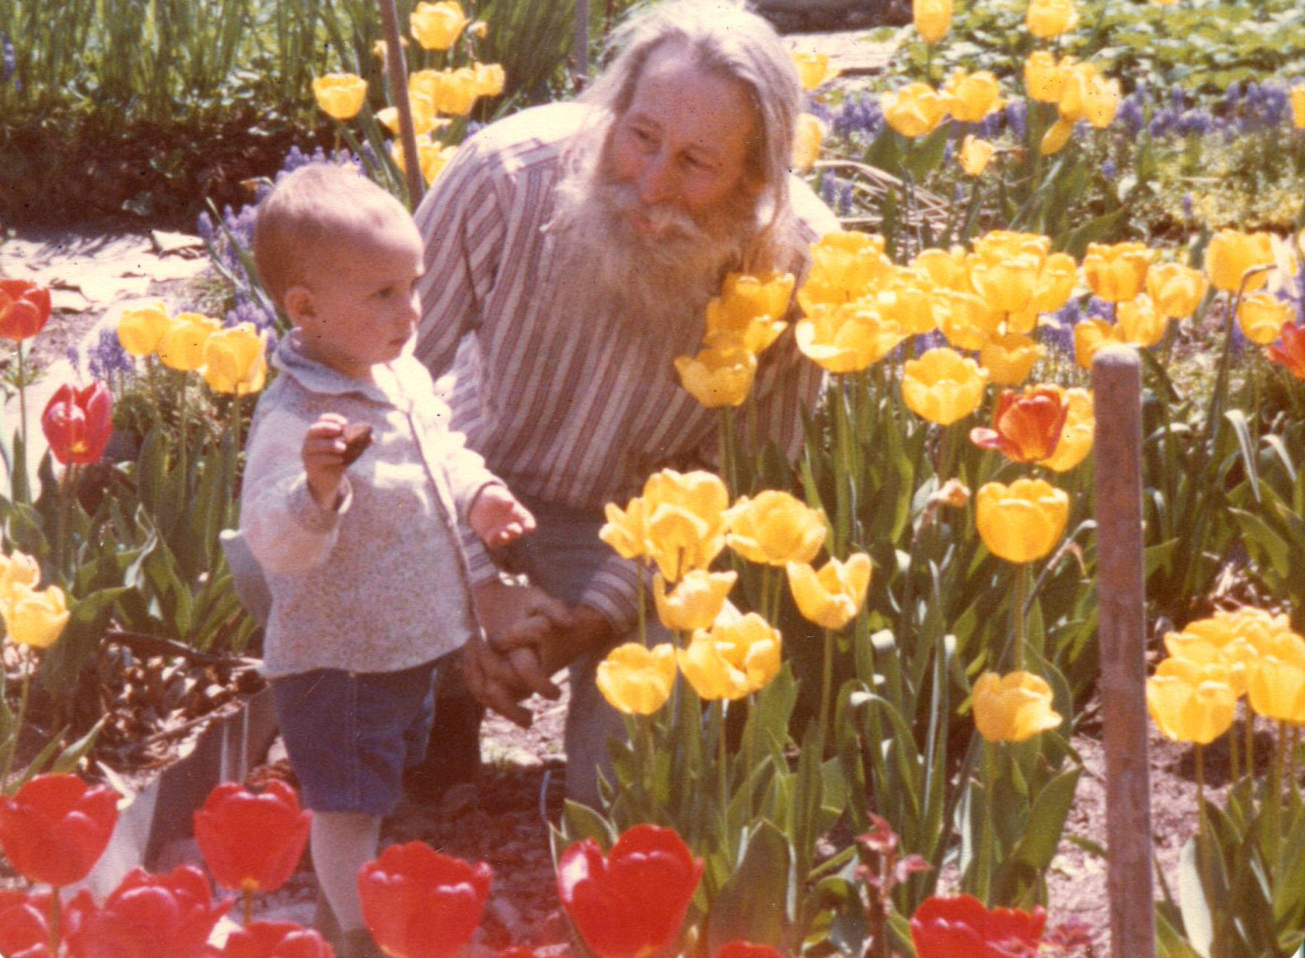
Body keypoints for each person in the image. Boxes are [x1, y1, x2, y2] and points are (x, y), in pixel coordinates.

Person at [410, 0, 840, 808]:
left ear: (755, 177)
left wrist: (597, 616)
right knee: (278, 555)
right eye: (640, 136)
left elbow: (734, 480)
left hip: (639, 540)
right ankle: (440, 712)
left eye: (694, 163)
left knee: (637, 757)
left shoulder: (798, 265)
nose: (650, 185)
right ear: (610, 106)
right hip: (468, 492)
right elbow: (387, 386)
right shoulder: (507, 176)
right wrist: (473, 586)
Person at [241, 163, 535, 958]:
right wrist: (316, 489)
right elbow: (275, 540)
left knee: (382, 780)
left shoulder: (397, 376)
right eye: (383, 295)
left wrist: (479, 494)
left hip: (404, 643)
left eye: (414, 285)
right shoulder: (298, 420)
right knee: (347, 803)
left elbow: (440, 450)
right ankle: (358, 936)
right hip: (340, 659)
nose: (412, 311)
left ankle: (368, 901)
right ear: (305, 309)